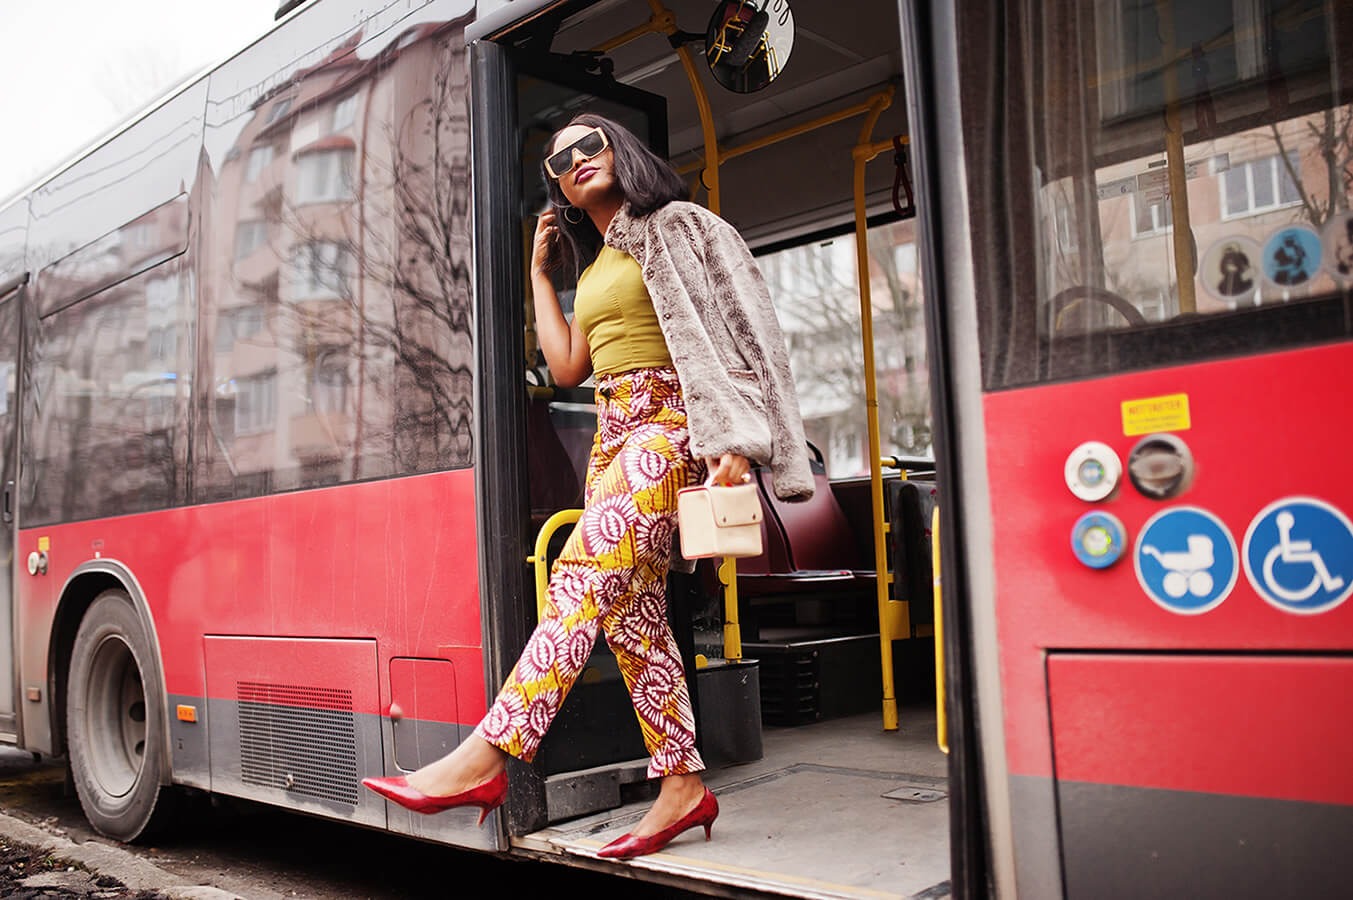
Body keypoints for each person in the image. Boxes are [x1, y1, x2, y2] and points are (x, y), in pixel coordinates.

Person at [363, 113, 813, 860]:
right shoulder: (600, 261)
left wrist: (736, 436)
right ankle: (683, 787)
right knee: (632, 616)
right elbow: (569, 366)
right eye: (558, 160)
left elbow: (745, 325)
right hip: (613, 437)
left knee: (578, 572)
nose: (574, 160)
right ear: (558, 189)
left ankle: (489, 753)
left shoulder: (678, 225)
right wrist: (541, 277)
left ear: (620, 150)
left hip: (672, 424)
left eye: (588, 145)